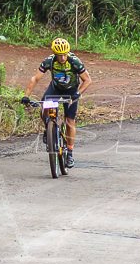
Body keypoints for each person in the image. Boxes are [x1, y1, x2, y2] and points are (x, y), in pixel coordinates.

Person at [21, 38, 91, 168]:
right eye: (60, 55)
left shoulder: (74, 61)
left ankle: (69, 153)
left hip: (71, 92)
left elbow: (87, 80)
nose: (63, 58)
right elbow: (35, 78)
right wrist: (26, 95)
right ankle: (49, 128)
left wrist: (78, 93)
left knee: (70, 122)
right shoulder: (50, 61)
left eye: (65, 54)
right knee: (43, 107)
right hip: (55, 89)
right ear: (55, 54)